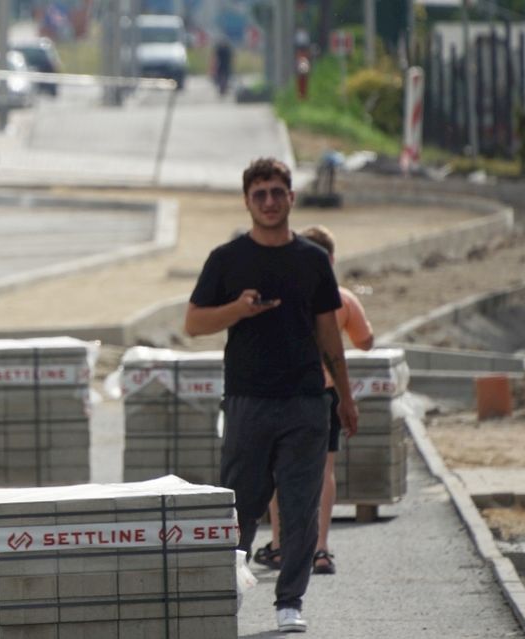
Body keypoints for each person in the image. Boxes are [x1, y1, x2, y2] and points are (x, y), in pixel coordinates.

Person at [184, 158, 358, 634]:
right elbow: (193, 322)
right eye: (259, 193)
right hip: (248, 399)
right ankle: (232, 589)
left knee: (301, 504)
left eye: (277, 192)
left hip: (306, 399)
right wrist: (237, 310)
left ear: (291, 198)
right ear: (247, 201)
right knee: (241, 503)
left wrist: (344, 395)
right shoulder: (227, 259)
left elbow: (329, 334)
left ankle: (290, 601)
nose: (268, 201)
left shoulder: (312, 261)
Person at [252, 225, 374, 576]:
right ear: (332, 259)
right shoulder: (343, 299)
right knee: (324, 470)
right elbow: (365, 342)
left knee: (278, 469)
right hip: (326, 391)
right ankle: (320, 549)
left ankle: (279, 544)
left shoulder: (284, 292)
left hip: (284, 389)